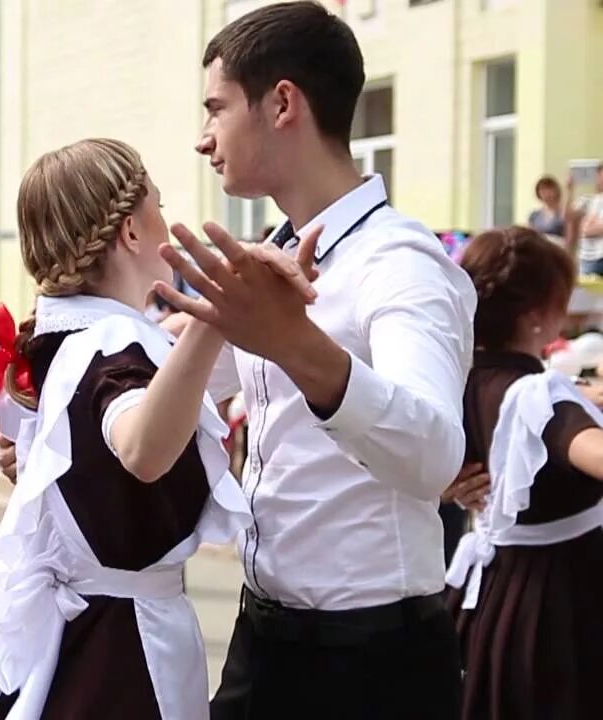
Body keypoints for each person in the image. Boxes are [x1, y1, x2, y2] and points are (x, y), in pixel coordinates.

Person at [168, 4, 477, 717]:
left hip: (371, 664)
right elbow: (168, 390)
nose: (202, 138)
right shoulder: (265, 259)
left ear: (282, 103)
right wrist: (39, 414)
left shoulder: (400, 262)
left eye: (215, 108)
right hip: (263, 638)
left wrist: (300, 347)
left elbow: (434, 453)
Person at [0, 138, 275, 719]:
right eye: (160, 206)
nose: (168, 219)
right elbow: (141, 447)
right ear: (131, 233)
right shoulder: (113, 346)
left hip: (83, 629)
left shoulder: (65, 337)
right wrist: (217, 318)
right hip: (120, 651)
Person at [442, 227, 602, 720]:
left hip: (489, 596)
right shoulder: (538, 396)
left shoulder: (456, 381)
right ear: (537, 316)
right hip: (559, 605)